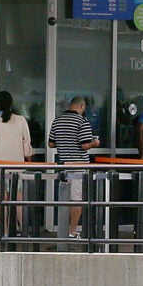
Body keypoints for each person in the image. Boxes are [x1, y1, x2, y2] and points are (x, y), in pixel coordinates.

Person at [48, 95, 99, 239]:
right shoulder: (82, 121)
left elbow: (51, 144)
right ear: (82, 106)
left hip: (63, 165)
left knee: (64, 198)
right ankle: (71, 231)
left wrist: (65, 142)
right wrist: (95, 143)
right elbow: (84, 144)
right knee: (77, 200)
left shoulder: (57, 120)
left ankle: (63, 230)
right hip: (78, 165)